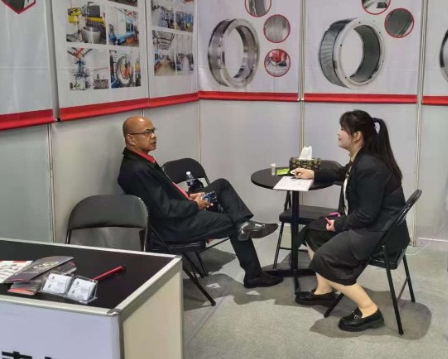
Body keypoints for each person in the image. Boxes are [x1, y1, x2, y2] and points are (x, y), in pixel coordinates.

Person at [117, 116, 282, 288]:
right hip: (175, 226)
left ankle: (244, 223)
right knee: (234, 224)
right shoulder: (137, 170)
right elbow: (165, 210)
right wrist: (196, 205)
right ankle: (253, 273)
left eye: (153, 131)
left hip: (183, 209)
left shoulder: (142, 160)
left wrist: (189, 197)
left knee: (221, 185)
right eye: (147, 132)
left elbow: (164, 196)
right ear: (131, 138)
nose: (153, 136)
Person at [292, 110, 408, 331]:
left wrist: (338, 224)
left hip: (380, 232)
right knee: (313, 231)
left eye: (342, 129)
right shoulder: (362, 158)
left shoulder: (370, 165)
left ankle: (369, 310)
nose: (338, 133)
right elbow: (342, 173)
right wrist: (313, 174)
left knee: (324, 258)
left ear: (356, 136)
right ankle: (324, 291)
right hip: (374, 224)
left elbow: (366, 215)